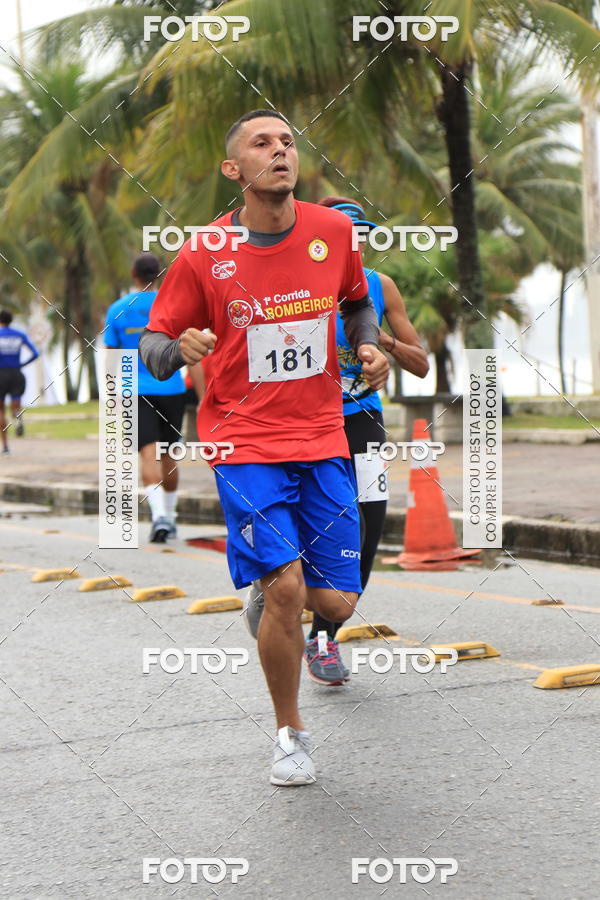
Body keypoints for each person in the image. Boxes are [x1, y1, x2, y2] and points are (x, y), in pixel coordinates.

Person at [139, 109, 389, 785]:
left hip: (322, 435)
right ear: (235, 169)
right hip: (242, 442)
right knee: (287, 590)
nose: (280, 151)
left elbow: (357, 303)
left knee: (335, 604)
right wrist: (178, 347)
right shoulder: (203, 252)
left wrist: (366, 341)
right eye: (262, 143)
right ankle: (290, 735)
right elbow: (153, 344)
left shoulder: (333, 232)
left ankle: (275, 593)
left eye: (287, 142)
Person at [303, 197, 430, 686]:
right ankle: (274, 586)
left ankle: (323, 637)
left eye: (360, 234)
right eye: (343, 233)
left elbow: (421, 364)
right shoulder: (295, 285)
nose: (353, 242)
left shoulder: (380, 286)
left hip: (362, 424)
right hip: (302, 424)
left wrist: (384, 345)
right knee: (304, 521)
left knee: (368, 527)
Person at [103, 253, 187, 542]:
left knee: (148, 453)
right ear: (161, 274)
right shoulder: (174, 304)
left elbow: (112, 358)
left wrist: (111, 394)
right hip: (173, 389)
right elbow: (188, 349)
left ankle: (159, 517)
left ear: (133, 274)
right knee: (170, 454)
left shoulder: (117, 309)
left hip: (134, 390)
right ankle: (171, 518)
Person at [0, 310, 39, 454]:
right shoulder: (19, 334)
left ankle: (5, 446)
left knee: (1, 411)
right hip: (16, 373)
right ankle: (18, 418)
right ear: (11, 320)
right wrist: (22, 364)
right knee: (16, 405)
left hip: (1, 373)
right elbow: (35, 353)